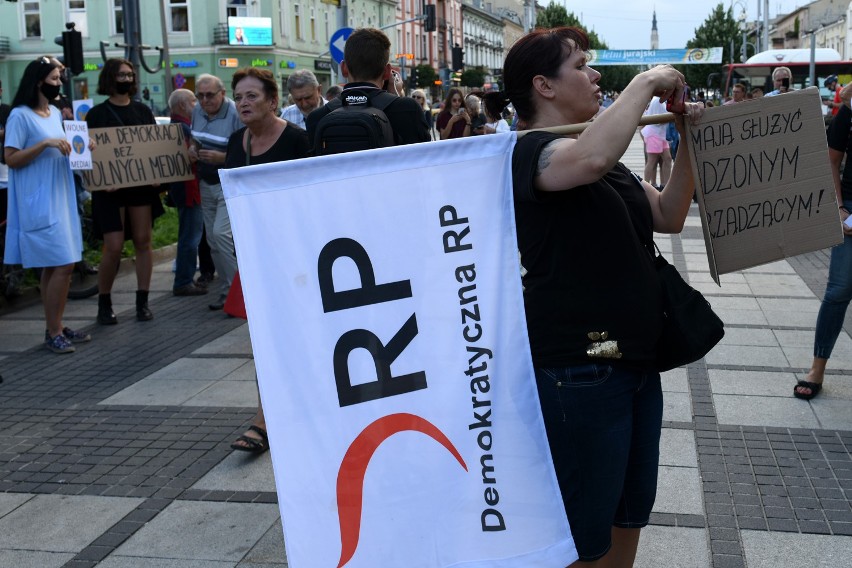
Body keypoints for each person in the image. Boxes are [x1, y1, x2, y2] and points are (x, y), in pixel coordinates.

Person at [484, 26, 701, 566]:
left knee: (629, 512)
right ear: (544, 85)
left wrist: (689, 138)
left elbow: (669, 215)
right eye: (582, 64)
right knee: (584, 531)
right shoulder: (528, 153)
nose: (595, 74)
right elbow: (587, 162)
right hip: (578, 372)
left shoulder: (604, 158)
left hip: (634, 362)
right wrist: (649, 79)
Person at [223, 67, 310, 452]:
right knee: (263, 340)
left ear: (273, 101)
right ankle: (264, 418)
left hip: (298, 257)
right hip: (258, 257)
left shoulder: (297, 141)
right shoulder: (234, 143)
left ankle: (304, 407)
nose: (243, 102)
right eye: (239, 96)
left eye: (252, 96)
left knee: (303, 337)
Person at [4, 57, 92, 353]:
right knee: (62, 263)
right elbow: (11, 158)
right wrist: (45, 145)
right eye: (54, 79)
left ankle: (55, 324)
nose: (59, 84)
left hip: (60, 194)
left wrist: (80, 144)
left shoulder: (54, 112)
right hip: (39, 197)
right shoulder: (20, 115)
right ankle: (53, 330)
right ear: (39, 81)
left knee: (60, 264)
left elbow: (62, 146)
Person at [86, 58, 164, 325]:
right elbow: (87, 155)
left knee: (144, 240)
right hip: (110, 189)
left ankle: (142, 301)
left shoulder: (143, 111)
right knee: (113, 247)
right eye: (121, 75)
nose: (127, 79)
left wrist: (158, 176)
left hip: (140, 186)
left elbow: (153, 147)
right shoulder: (96, 114)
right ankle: (104, 302)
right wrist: (99, 177)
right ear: (110, 78)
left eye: (130, 75)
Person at [796, 82, 852, 400]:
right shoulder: (849, 110)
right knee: (839, 290)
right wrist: (840, 207)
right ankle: (817, 367)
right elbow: (831, 160)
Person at [306, 28, 430, 148]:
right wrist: (396, 97)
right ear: (387, 72)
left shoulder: (316, 117)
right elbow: (424, 159)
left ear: (343, 68)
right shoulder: (408, 109)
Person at [190, 73, 242, 311]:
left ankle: (240, 294)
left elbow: (246, 150)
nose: (204, 100)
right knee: (212, 240)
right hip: (206, 180)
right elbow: (196, 139)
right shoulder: (197, 112)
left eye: (209, 95)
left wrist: (222, 157)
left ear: (222, 93)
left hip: (227, 181)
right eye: (200, 95)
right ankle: (227, 291)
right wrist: (193, 149)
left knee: (221, 235)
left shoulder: (235, 113)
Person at [166, 88, 206, 297]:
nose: (197, 104)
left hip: (183, 188)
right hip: (189, 188)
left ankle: (185, 278)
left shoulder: (176, 126)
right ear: (182, 105)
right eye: (193, 100)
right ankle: (183, 281)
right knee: (190, 237)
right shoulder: (182, 128)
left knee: (189, 235)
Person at [640, 97, 672, 190]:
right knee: (652, 162)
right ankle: (645, 186)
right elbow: (662, 118)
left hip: (660, 134)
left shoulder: (659, 100)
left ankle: (665, 185)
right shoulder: (658, 100)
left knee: (668, 159)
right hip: (655, 134)